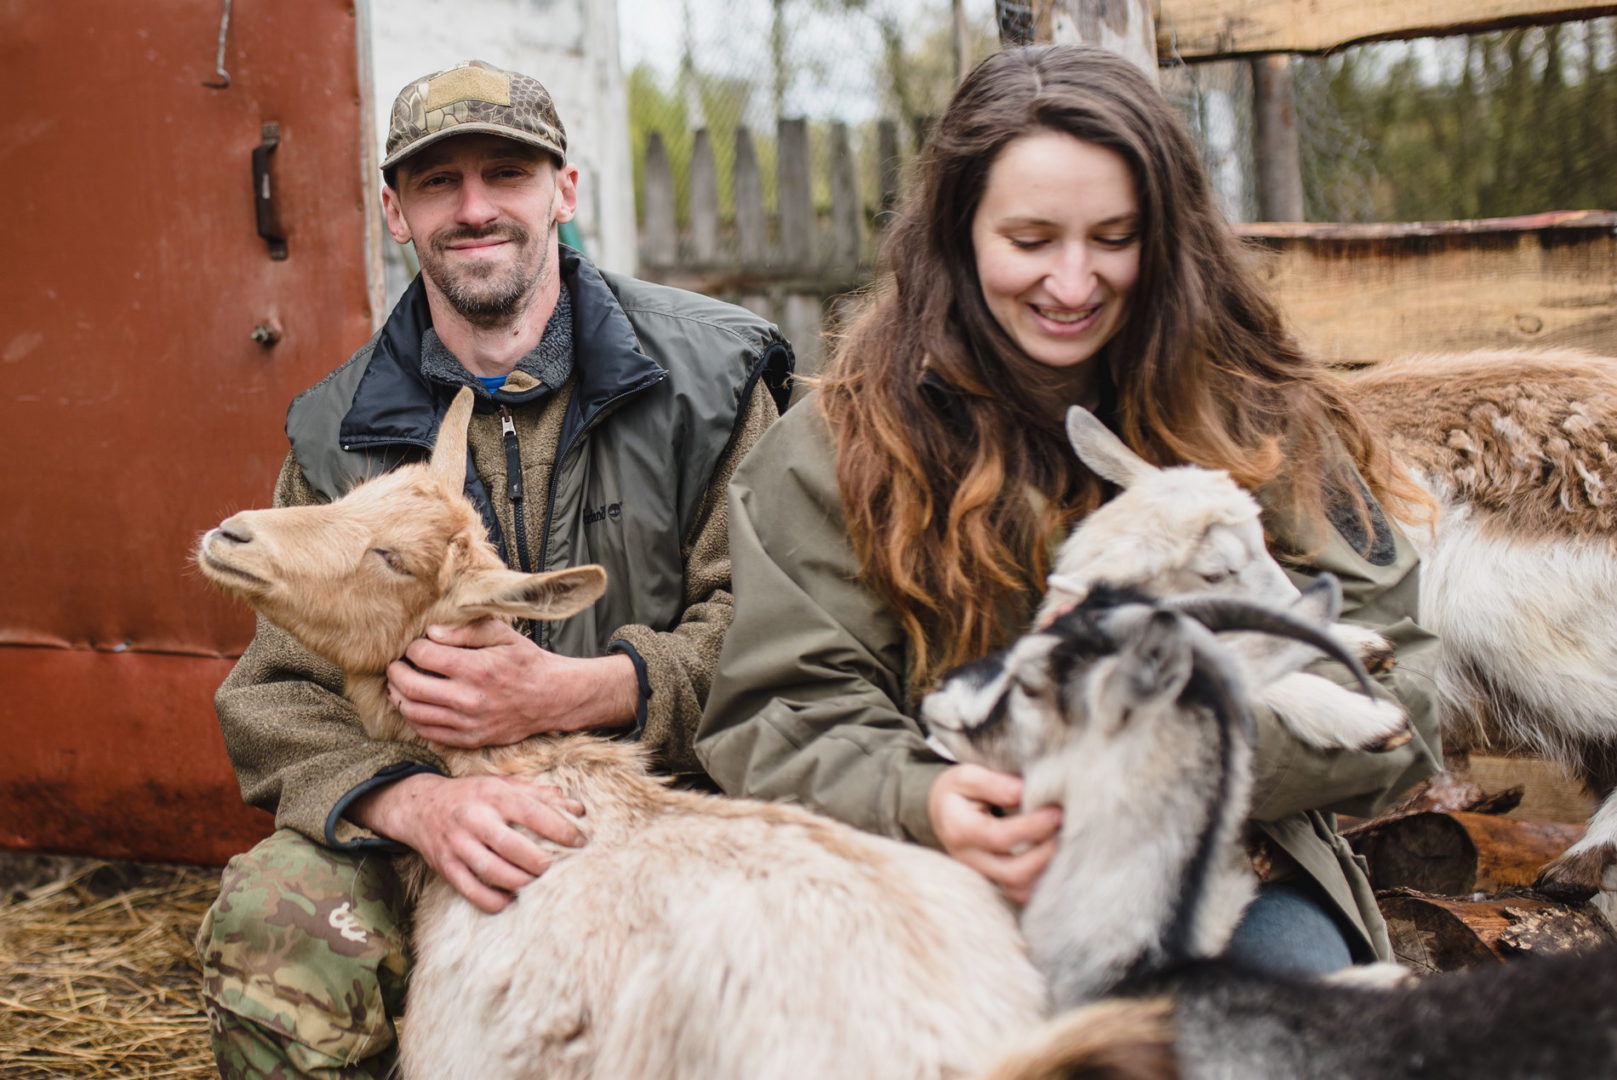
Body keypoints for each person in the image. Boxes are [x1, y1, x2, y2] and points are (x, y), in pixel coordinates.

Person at [697, 44, 1440, 975]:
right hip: (942, 886)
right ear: (959, 233)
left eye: (1116, 238)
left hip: (1223, 876)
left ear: (1167, 236)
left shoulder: (1257, 410)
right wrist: (922, 800)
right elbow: (784, 707)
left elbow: (1398, 673)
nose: (1075, 283)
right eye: (1031, 240)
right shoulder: (835, 448)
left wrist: (1174, 755)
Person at [196, 59, 792, 1079]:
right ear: (395, 210)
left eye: (507, 173)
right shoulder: (338, 432)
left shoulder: (712, 380)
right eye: (438, 182)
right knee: (276, 923)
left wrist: (599, 686)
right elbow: (276, 695)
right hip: (444, 815)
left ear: (563, 189)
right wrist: (414, 805)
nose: (475, 209)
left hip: (676, 798)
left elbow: (782, 626)